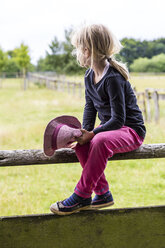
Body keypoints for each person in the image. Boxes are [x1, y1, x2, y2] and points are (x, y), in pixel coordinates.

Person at [50, 24, 146, 215]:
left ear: (87, 50)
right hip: (111, 129)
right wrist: (83, 133)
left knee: (99, 140)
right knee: (81, 144)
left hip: (130, 130)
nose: (77, 52)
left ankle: (81, 195)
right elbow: (90, 106)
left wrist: (94, 133)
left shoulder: (113, 78)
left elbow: (119, 119)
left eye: (78, 48)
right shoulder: (89, 75)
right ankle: (102, 193)